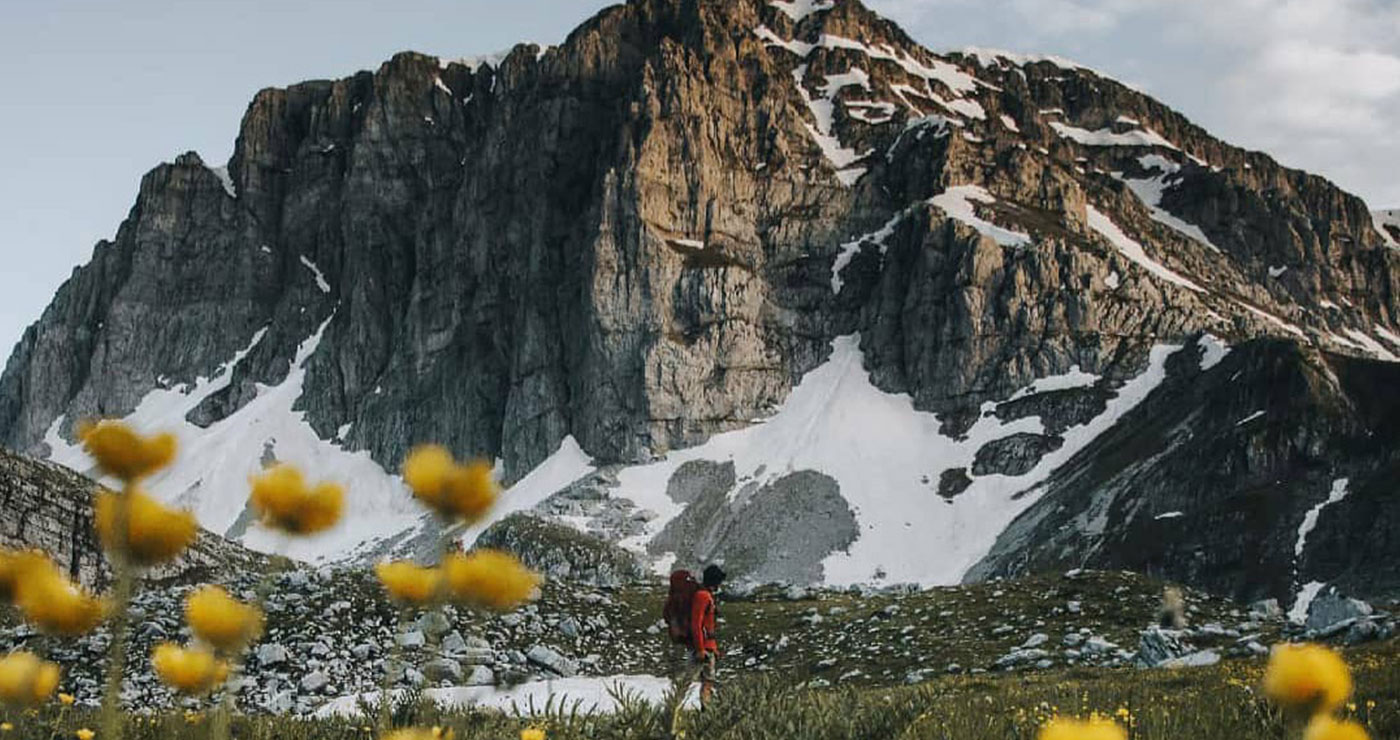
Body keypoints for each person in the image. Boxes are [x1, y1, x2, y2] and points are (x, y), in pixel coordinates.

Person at [690, 564, 725, 708]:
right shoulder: (703, 596)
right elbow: (696, 624)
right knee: (693, 682)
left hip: (708, 647)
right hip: (703, 648)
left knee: (708, 682)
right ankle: (674, 711)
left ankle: (706, 710)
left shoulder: (704, 595)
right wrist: (700, 649)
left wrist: (713, 649)